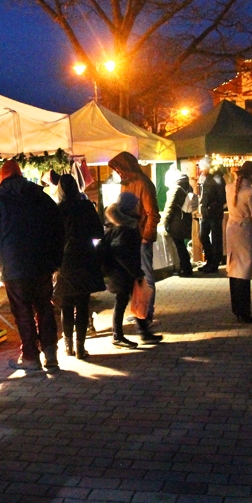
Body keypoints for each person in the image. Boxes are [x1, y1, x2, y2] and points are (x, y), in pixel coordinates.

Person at [0, 160, 64, 372]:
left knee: (22, 310)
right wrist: (55, 260)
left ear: (1, 177)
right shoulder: (41, 197)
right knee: (44, 306)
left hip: (13, 265)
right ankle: (51, 354)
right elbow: (58, 230)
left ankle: (30, 357)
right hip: (42, 263)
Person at [107, 151, 162, 344]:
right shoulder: (127, 184)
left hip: (139, 238)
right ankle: (140, 321)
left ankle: (145, 314)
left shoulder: (143, 183)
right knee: (134, 282)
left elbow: (152, 212)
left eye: (120, 169)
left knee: (144, 278)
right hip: (130, 236)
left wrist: (146, 236)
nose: (119, 173)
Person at [52, 174, 105, 359]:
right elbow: (99, 232)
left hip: (64, 260)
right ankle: (80, 349)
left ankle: (68, 346)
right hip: (85, 258)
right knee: (83, 304)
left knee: (66, 303)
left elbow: (51, 237)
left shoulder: (57, 210)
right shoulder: (86, 207)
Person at [98, 192, 144, 349]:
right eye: (135, 204)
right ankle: (118, 335)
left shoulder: (124, 223)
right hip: (120, 272)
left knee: (131, 299)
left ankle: (142, 330)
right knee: (122, 300)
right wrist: (135, 271)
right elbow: (120, 251)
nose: (138, 207)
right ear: (129, 207)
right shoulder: (125, 227)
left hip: (122, 271)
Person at [225, 161, 252, 323]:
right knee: (244, 272)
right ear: (251, 176)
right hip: (245, 232)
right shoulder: (251, 192)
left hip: (232, 229)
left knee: (234, 269)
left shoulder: (229, 188)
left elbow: (242, 194)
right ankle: (244, 310)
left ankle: (236, 308)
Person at [162, 168, 194, 277]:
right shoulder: (188, 186)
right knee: (181, 245)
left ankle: (185, 268)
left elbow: (169, 206)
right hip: (185, 219)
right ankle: (187, 267)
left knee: (179, 246)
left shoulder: (175, 189)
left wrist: (163, 221)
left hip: (176, 221)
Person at [197, 158, 225, 273]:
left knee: (215, 238)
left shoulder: (217, 178)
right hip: (206, 213)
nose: (201, 170)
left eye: (202, 168)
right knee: (203, 236)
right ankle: (210, 260)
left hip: (214, 213)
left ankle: (214, 263)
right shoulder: (207, 178)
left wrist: (211, 207)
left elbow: (222, 197)